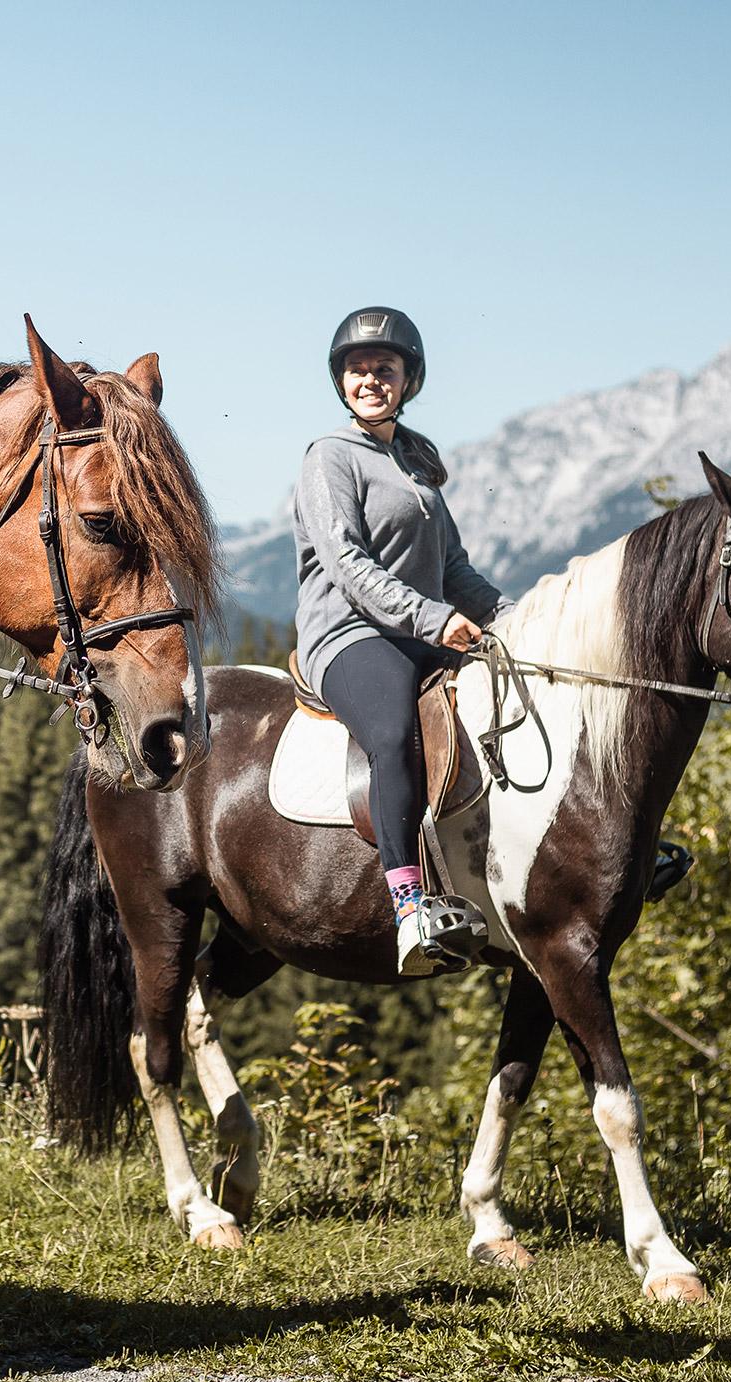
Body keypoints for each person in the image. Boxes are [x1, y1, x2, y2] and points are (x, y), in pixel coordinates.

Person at [290, 307, 501, 976]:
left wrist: (517, 618)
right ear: (340, 380)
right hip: (348, 633)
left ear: (409, 380)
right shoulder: (330, 457)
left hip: (416, 628)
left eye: (385, 369)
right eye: (358, 369)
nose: (370, 379)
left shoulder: (416, 461)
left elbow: (455, 570)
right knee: (391, 733)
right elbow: (349, 565)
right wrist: (432, 619)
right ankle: (410, 904)